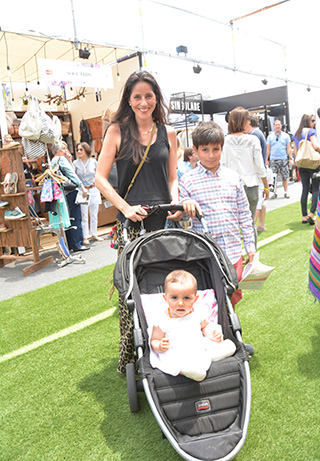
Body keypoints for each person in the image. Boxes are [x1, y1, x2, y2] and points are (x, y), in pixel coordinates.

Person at [95, 70, 179, 374]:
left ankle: (170, 347)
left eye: (149, 96)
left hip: (164, 223)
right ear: (129, 101)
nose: (144, 102)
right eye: (137, 97)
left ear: (156, 98)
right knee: (129, 290)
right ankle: (129, 357)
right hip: (130, 225)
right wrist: (126, 208)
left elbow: (172, 177)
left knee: (170, 285)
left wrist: (175, 204)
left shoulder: (168, 133)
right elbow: (100, 179)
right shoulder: (117, 131)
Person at [179, 121, 256, 308]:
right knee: (210, 302)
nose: (211, 155)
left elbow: (245, 216)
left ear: (222, 148)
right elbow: (182, 222)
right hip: (206, 255)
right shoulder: (187, 181)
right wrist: (184, 206)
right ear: (195, 150)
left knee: (232, 298)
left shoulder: (233, 178)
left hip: (233, 251)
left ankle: (230, 331)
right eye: (205, 150)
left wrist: (250, 248)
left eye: (216, 149)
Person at [150, 270, 236, 381]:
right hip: (176, 351)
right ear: (165, 299)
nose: (180, 303)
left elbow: (204, 326)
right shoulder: (162, 320)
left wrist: (212, 334)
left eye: (186, 298)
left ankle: (210, 357)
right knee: (171, 361)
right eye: (174, 298)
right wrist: (159, 346)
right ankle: (187, 370)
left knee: (228, 346)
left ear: (195, 299)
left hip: (196, 346)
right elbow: (154, 340)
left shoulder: (197, 312)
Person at [221, 107, 269, 236]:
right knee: (249, 223)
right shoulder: (252, 140)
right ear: (242, 121)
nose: (249, 122)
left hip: (229, 187)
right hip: (250, 185)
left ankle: (234, 255)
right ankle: (252, 254)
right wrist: (266, 186)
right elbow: (260, 166)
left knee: (231, 225)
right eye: (247, 119)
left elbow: (222, 165)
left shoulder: (225, 141)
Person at [50, 142, 89, 252]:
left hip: (60, 193)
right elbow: (72, 174)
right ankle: (77, 243)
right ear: (58, 150)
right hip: (70, 191)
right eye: (63, 148)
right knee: (75, 217)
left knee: (66, 218)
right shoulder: (61, 160)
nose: (65, 150)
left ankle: (69, 244)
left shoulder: (52, 161)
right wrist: (82, 186)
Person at [292, 114, 320, 224]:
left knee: (305, 189)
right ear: (308, 121)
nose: (314, 123)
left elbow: (296, 151)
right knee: (316, 188)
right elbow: (315, 146)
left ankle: (304, 215)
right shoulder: (311, 132)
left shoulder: (296, 134)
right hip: (312, 162)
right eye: (313, 120)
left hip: (301, 163)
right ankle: (311, 213)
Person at [73, 142, 103, 244]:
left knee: (94, 213)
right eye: (78, 150)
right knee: (84, 214)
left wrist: (95, 182)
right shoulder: (75, 163)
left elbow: (99, 174)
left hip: (94, 189)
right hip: (83, 190)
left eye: (81, 149)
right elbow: (74, 177)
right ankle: (85, 236)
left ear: (86, 150)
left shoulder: (94, 162)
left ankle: (94, 234)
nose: (79, 152)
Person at [248, 115, 268, 232]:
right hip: (261, 171)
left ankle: (251, 228)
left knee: (258, 201)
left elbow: (257, 158)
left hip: (257, 172)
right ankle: (261, 225)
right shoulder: (259, 133)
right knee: (262, 200)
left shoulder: (255, 135)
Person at [266, 119, 293, 199]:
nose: (278, 126)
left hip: (283, 158)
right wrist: (266, 159)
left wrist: (290, 157)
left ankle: (286, 192)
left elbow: (288, 148)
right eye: (276, 125)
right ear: (274, 126)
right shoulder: (270, 137)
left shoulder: (286, 136)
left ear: (281, 125)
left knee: (285, 176)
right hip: (273, 159)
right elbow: (268, 149)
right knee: (273, 177)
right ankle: (274, 192)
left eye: (279, 125)